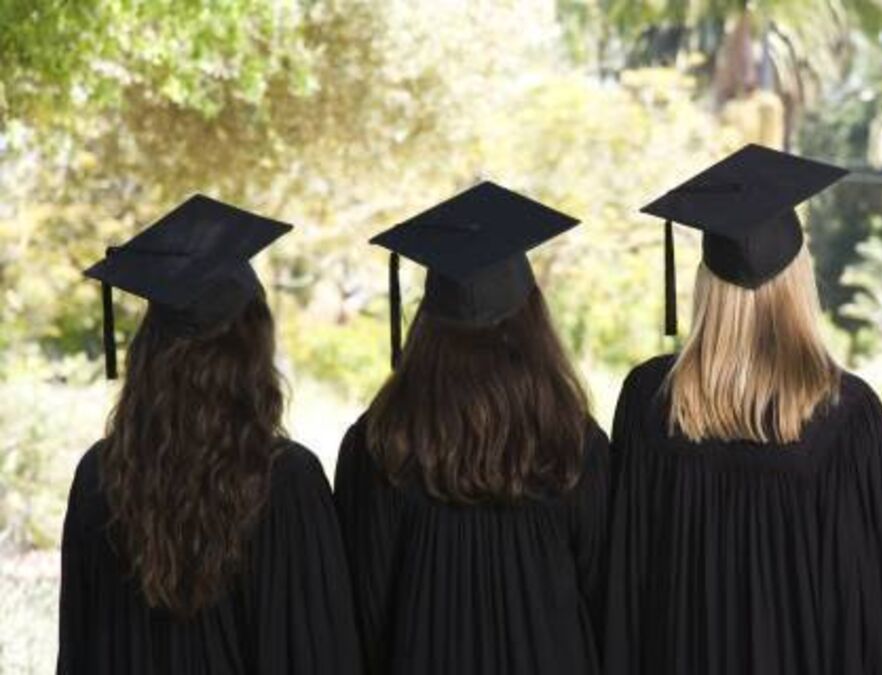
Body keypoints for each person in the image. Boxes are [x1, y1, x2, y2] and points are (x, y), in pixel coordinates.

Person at [605, 144, 882, 675]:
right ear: (800, 278)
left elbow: (626, 588)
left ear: (705, 283)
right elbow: (867, 610)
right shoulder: (850, 416)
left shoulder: (651, 401)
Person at [58, 195, 362, 675]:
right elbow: (319, 653)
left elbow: (80, 650)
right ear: (253, 351)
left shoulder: (100, 474)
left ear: (149, 350)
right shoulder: (287, 481)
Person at [335, 181, 609, 675]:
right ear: (533, 320)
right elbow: (602, 599)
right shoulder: (573, 443)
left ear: (426, 321)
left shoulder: (380, 446)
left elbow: (363, 609)